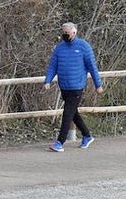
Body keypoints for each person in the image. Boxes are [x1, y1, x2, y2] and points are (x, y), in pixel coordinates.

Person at [44, 22, 104, 151]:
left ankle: (60, 142)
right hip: (64, 86)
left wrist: (98, 85)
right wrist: (47, 80)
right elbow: (53, 66)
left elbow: (92, 67)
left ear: (74, 32)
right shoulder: (59, 48)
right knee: (73, 113)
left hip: (77, 85)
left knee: (67, 113)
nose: (65, 35)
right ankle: (87, 135)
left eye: (67, 32)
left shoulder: (83, 46)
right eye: (63, 32)